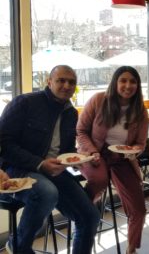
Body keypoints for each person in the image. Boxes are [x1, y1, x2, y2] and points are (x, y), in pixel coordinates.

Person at [0, 65, 100, 254]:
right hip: (17, 169)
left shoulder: (71, 113)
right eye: (61, 80)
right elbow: (4, 145)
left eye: (71, 82)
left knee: (90, 217)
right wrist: (39, 164)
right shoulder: (25, 103)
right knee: (47, 192)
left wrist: (79, 159)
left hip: (53, 172)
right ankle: (18, 245)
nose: (66, 85)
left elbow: (66, 150)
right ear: (49, 81)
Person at [77, 66, 149, 254]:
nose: (128, 85)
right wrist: (92, 151)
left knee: (139, 209)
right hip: (95, 154)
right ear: (115, 82)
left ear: (138, 86)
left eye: (133, 81)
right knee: (99, 179)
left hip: (122, 159)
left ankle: (131, 249)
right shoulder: (99, 100)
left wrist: (134, 150)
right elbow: (81, 130)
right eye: (123, 80)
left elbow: (140, 143)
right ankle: (83, 214)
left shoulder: (140, 111)